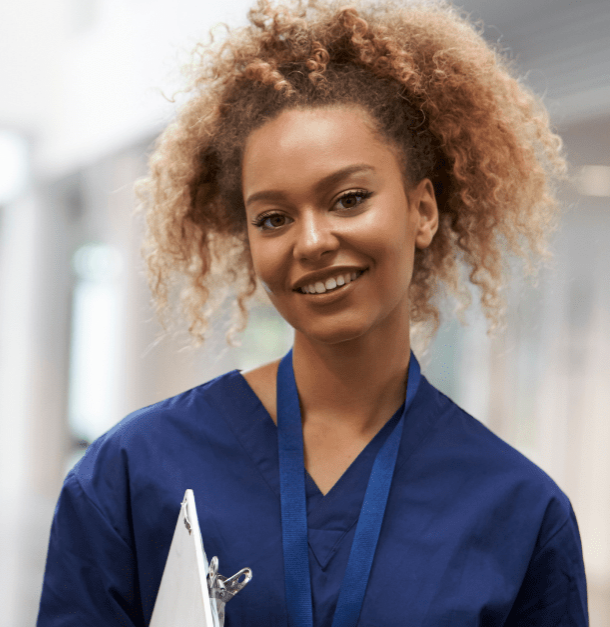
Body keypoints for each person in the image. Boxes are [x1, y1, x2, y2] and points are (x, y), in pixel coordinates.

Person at [37, 0, 589, 625]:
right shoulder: (136, 472)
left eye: (349, 199)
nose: (312, 241)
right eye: (272, 218)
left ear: (423, 211)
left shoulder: (518, 512)